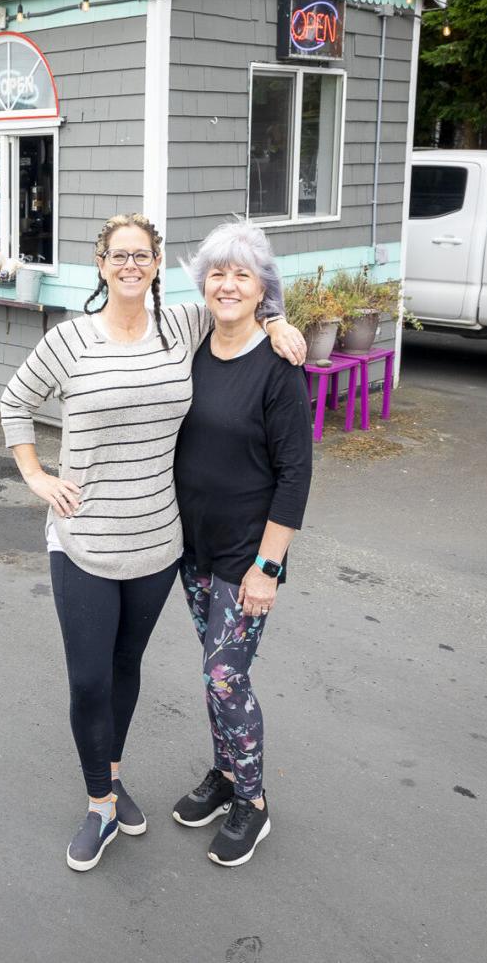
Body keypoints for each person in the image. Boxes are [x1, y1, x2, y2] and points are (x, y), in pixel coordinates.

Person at [0, 213, 306, 871]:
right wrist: (36, 475)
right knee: (96, 678)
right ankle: (103, 802)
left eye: (143, 254)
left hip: (185, 549)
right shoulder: (89, 338)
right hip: (114, 542)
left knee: (172, 672)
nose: (131, 264)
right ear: (102, 262)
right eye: (119, 254)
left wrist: (280, 324)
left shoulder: (189, 330)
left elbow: (243, 317)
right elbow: (13, 401)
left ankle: (190, 790)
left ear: (157, 264)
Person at [168, 219, 312, 866]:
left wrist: (267, 566)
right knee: (213, 669)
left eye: (242, 273)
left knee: (226, 674)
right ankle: (225, 773)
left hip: (247, 556)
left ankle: (251, 801)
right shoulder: (193, 344)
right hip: (193, 546)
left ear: (262, 288)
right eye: (217, 273)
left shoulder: (278, 368)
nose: (227, 284)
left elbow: (295, 473)